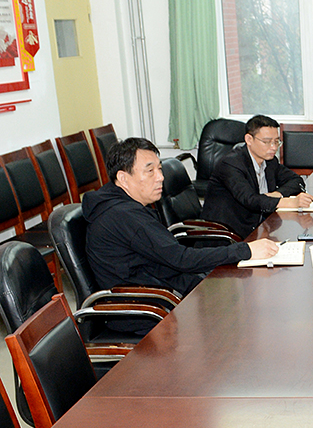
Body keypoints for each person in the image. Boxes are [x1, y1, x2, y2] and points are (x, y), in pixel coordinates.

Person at [84, 138, 279, 330]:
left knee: (241, 296)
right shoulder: (124, 216)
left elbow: (171, 257)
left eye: (160, 169)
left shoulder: (121, 204)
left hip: (160, 292)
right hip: (145, 310)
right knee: (244, 314)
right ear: (123, 178)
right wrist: (246, 250)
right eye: (150, 171)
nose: (160, 177)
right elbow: (181, 259)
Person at [201, 114, 313, 238]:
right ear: (249, 139)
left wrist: (278, 194)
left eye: (276, 141)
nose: (273, 147)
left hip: (261, 227)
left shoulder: (270, 161)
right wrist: (290, 203)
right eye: (267, 142)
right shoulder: (231, 164)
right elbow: (250, 200)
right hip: (228, 234)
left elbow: (296, 180)